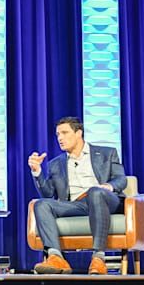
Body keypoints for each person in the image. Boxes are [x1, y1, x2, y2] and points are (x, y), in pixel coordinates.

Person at [27, 116, 127, 275]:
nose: (60, 138)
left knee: (95, 192)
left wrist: (108, 186)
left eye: (64, 133)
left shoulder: (107, 153)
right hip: (77, 205)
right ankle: (56, 258)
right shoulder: (55, 163)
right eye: (58, 134)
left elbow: (121, 179)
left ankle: (98, 258)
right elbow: (47, 193)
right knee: (41, 204)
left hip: (105, 199)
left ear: (78, 133)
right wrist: (36, 171)